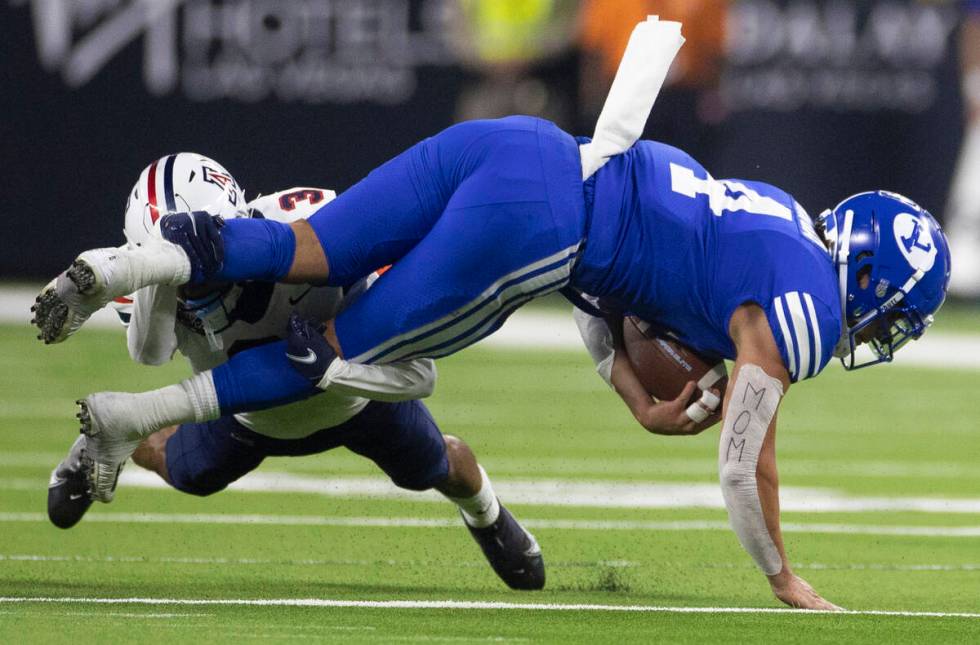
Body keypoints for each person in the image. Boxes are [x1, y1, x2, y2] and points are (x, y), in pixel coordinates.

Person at [33, 22, 951, 609]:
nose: (879, 332)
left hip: (521, 148)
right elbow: (746, 461)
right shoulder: (803, 308)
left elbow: (617, 275)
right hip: (534, 228)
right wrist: (781, 577)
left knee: (313, 248)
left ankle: (141, 256)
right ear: (870, 280)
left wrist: (632, 390)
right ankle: (125, 416)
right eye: (892, 315)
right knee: (336, 358)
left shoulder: (781, 218)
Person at [44, 153, 545, 592]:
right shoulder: (147, 288)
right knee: (188, 473)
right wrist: (145, 274)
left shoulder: (312, 224)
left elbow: (419, 362)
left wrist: (339, 369)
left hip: (354, 399)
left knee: (438, 466)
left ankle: (488, 514)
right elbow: (149, 352)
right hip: (244, 415)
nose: (200, 275)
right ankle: (108, 438)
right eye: (176, 263)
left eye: (207, 254)